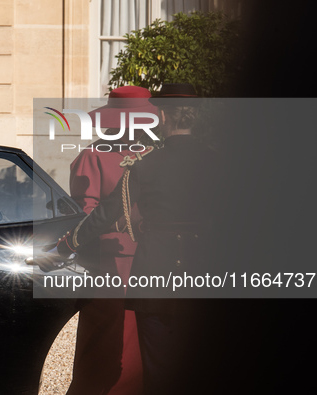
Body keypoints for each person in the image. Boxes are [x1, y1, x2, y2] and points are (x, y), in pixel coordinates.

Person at [54, 84, 220, 394]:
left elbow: (102, 215)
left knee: (155, 361)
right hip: (146, 262)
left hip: (150, 264)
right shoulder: (215, 161)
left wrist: (64, 246)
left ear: (160, 116)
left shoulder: (146, 161)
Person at [66, 86, 157, 395]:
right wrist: (121, 221)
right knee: (107, 347)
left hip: (149, 261)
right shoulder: (91, 157)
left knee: (143, 347)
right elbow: (84, 216)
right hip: (110, 264)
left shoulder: (152, 158)